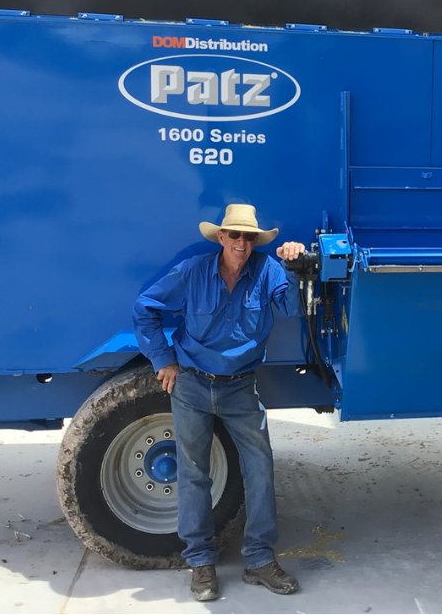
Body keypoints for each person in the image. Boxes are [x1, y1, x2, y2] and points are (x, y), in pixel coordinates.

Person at [133, 203, 306, 602]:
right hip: (191, 385)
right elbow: (145, 309)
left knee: (260, 470)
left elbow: (291, 308)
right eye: (235, 236)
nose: (242, 244)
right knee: (193, 475)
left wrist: (294, 266)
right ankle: (200, 563)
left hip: (240, 388)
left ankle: (260, 560)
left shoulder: (267, 270)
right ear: (221, 238)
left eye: (249, 237)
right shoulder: (193, 271)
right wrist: (164, 360)